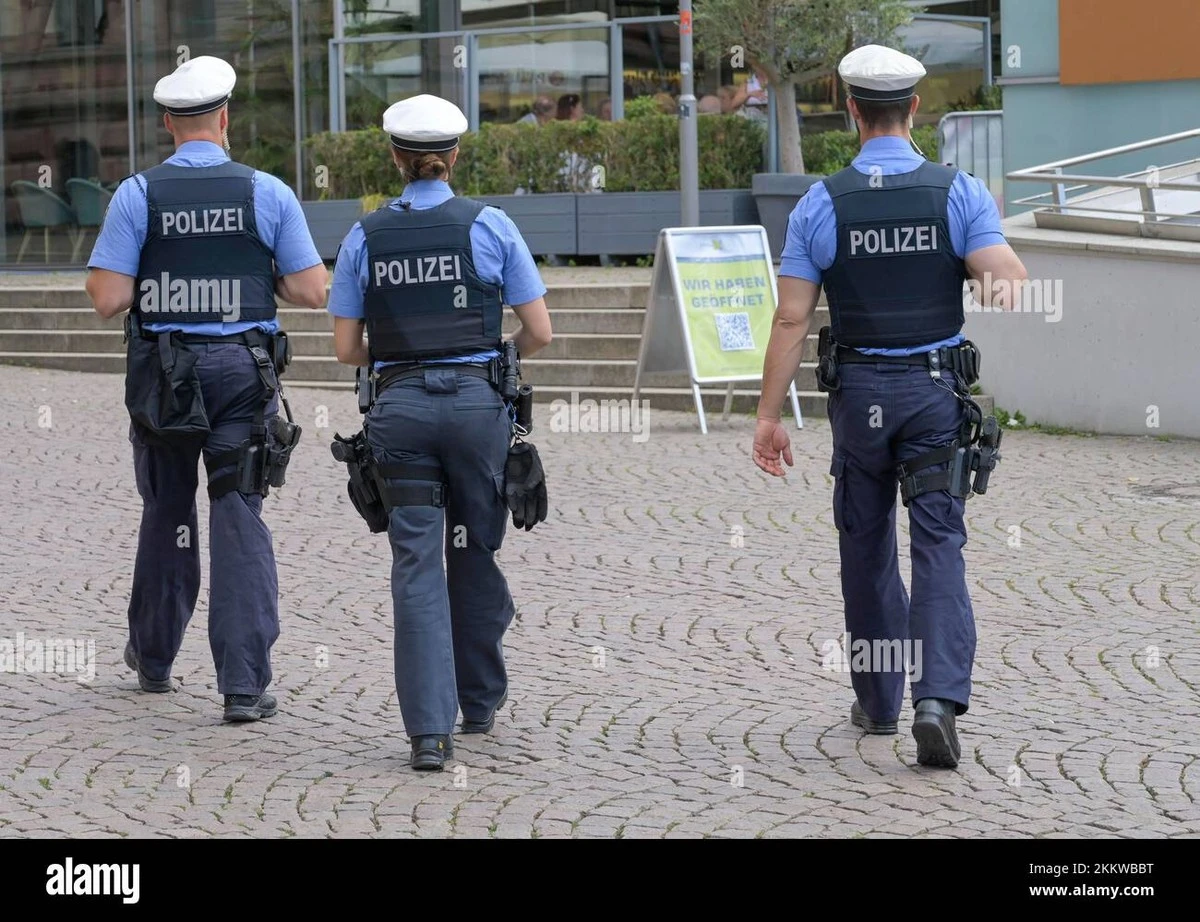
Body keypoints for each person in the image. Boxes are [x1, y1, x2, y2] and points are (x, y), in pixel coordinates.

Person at [752, 45, 1027, 769]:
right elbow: (1006, 285)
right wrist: (972, 255)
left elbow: (790, 320)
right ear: (914, 110)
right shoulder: (956, 191)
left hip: (862, 397)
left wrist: (767, 416)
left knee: (865, 545)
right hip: (935, 396)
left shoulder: (822, 201)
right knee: (939, 543)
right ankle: (936, 702)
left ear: (851, 112)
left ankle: (878, 702)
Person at [83, 56, 328, 721]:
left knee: (168, 512)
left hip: (166, 377)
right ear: (225, 118)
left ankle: (155, 660)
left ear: (168, 123)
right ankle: (243, 688)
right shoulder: (266, 192)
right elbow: (313, 289)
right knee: (238, 512)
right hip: (243, 371)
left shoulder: (138, 193)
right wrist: (261, 279)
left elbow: (108, 297)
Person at [328, 94, 553, 771]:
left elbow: (346, 349)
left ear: (394, 158)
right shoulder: (492, 225)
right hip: (477, 408)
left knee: (416, 563)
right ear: (453, 157)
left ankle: (429, 732)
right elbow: (540, 331)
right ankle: (479, 701)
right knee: (474, 550)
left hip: (399, 411)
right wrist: (492, 355)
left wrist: (403, 360)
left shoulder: (364, 236)